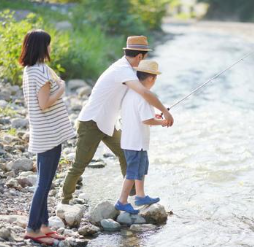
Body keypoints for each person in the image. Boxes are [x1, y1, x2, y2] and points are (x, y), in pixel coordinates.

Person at [61, 36, 174, 204]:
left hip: (107, 123)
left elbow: (127, 102)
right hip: (91, 122)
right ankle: (65, 200)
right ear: (139, 56)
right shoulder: (123, 70)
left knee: (124, 154)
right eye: (144, 57)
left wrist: (150, 116)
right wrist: (165, 111)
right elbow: (144, 92)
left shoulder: (124, 69)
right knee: (80, 164)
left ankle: (136, 196)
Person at [20, 29, 75, 246]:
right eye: (49, 44)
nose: (51, 48)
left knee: (45, 181)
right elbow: (44, 103)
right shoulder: (40, 71)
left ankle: (43, 226)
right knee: (44, 184)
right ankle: (32, 228)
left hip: (43, 132)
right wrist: (61, 88)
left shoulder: (31, 69)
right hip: (49, 133)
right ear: (42, 47)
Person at [115, 60, 166, 214]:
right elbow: (147, 120)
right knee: (132, 173)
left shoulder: (131, 93)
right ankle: (122, 201)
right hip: (136, 142)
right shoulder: (145, 97)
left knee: (140, 169)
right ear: (151, 79)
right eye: (155, 78)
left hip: (131, 140)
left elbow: (140, 115)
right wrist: (163, 121)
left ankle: (140, 196)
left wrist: (155, 115)